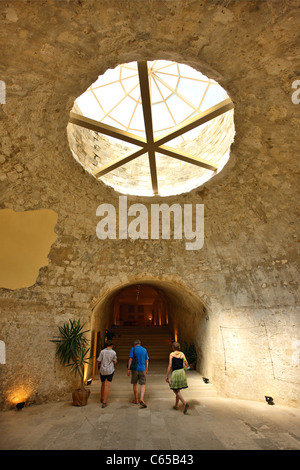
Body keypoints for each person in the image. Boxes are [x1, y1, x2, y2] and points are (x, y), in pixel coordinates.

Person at [166, 341, 189, 414]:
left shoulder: (171, 354)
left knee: (175, 389)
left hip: (175, 372)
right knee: (178, 389)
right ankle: (176, 405)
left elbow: (170, 365)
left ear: (173, 347)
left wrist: (167, 375)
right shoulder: (182, 354)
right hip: (181, 372)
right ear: (179, 347)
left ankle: (184, 403)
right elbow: (186, 363)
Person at [127, 339, 149, 408]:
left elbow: (130, 359)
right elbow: (147, 361)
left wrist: (128, 369)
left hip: (135, 369)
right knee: (142, 384)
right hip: (142, 368)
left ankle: (136, 399)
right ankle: (141, 399)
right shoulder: (144, 350)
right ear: (140, 344)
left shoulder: (133, 349)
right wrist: (146, 369)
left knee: (135, 383)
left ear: (135, 344)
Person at [97, 340, 117, 408]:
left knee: (102, 384)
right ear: (112, 345)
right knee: (106, 385)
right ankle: (104, 401)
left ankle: (102, 397)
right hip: (110, 370)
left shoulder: (102, 352)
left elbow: (98, 360)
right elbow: (115, 361)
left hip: (102, 370)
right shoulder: (113, 352)